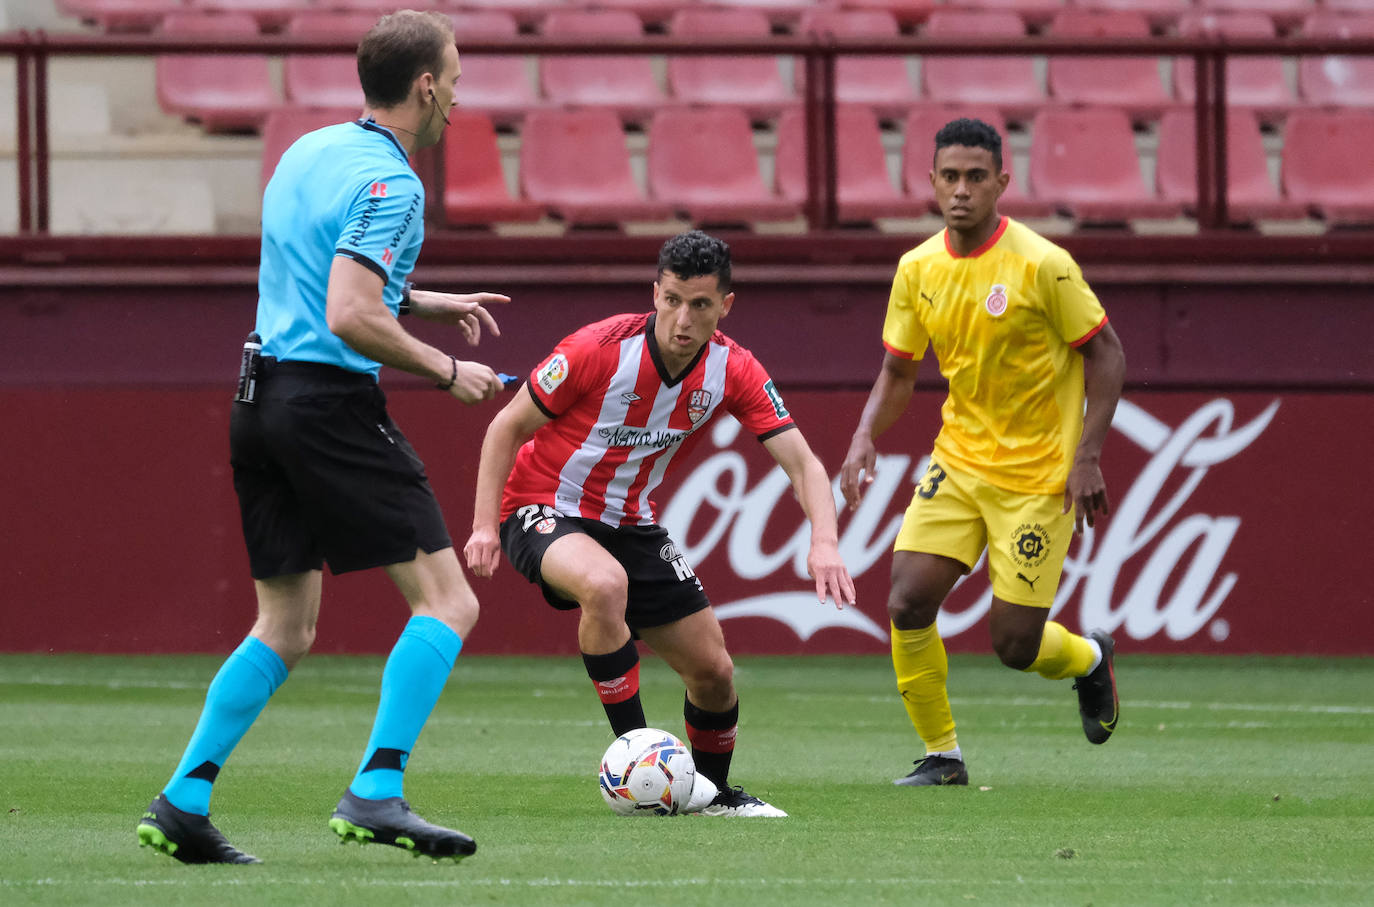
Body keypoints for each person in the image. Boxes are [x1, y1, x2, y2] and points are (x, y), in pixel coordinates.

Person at [136, 11, 508, 864]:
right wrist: (446, 369)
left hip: (258, 398)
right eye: (453, 78)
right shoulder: (395, 185)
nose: (457, 94)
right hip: (327, 406)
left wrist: (420, 299)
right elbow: (346, 312)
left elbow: (320, 277)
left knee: (285, 625)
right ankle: (378, 789)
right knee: (449, 601)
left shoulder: (307, 150)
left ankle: (183, 801)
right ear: (424, 86)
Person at [464, 230, 856, 817]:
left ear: (725, 306)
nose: (682, 318)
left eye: (699, 305)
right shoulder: (597, 349)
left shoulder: (734, 369)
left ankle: (716, 796)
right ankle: (639, 757)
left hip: (631, 522)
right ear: (655, 293)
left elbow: (802, 462)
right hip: (541, 506)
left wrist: (824, 542)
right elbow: (505, 428)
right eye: (671, 300)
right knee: (603, 585)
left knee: (715, 673)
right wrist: (483, 527)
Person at [839, 118, 1126, 787]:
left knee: (1014, 646)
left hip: (1037, 477)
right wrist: (863, 432)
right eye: (949, 176)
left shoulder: (1043, 264)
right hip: (960, 464)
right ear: (932, 182)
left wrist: (1087, 454)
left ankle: (1086, 659)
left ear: (1002, 181)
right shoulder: (918, 268)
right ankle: (943, 754)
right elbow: (899, 370)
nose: (961, 190)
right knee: (907, 600)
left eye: (975, 177)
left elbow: (1106, 353)